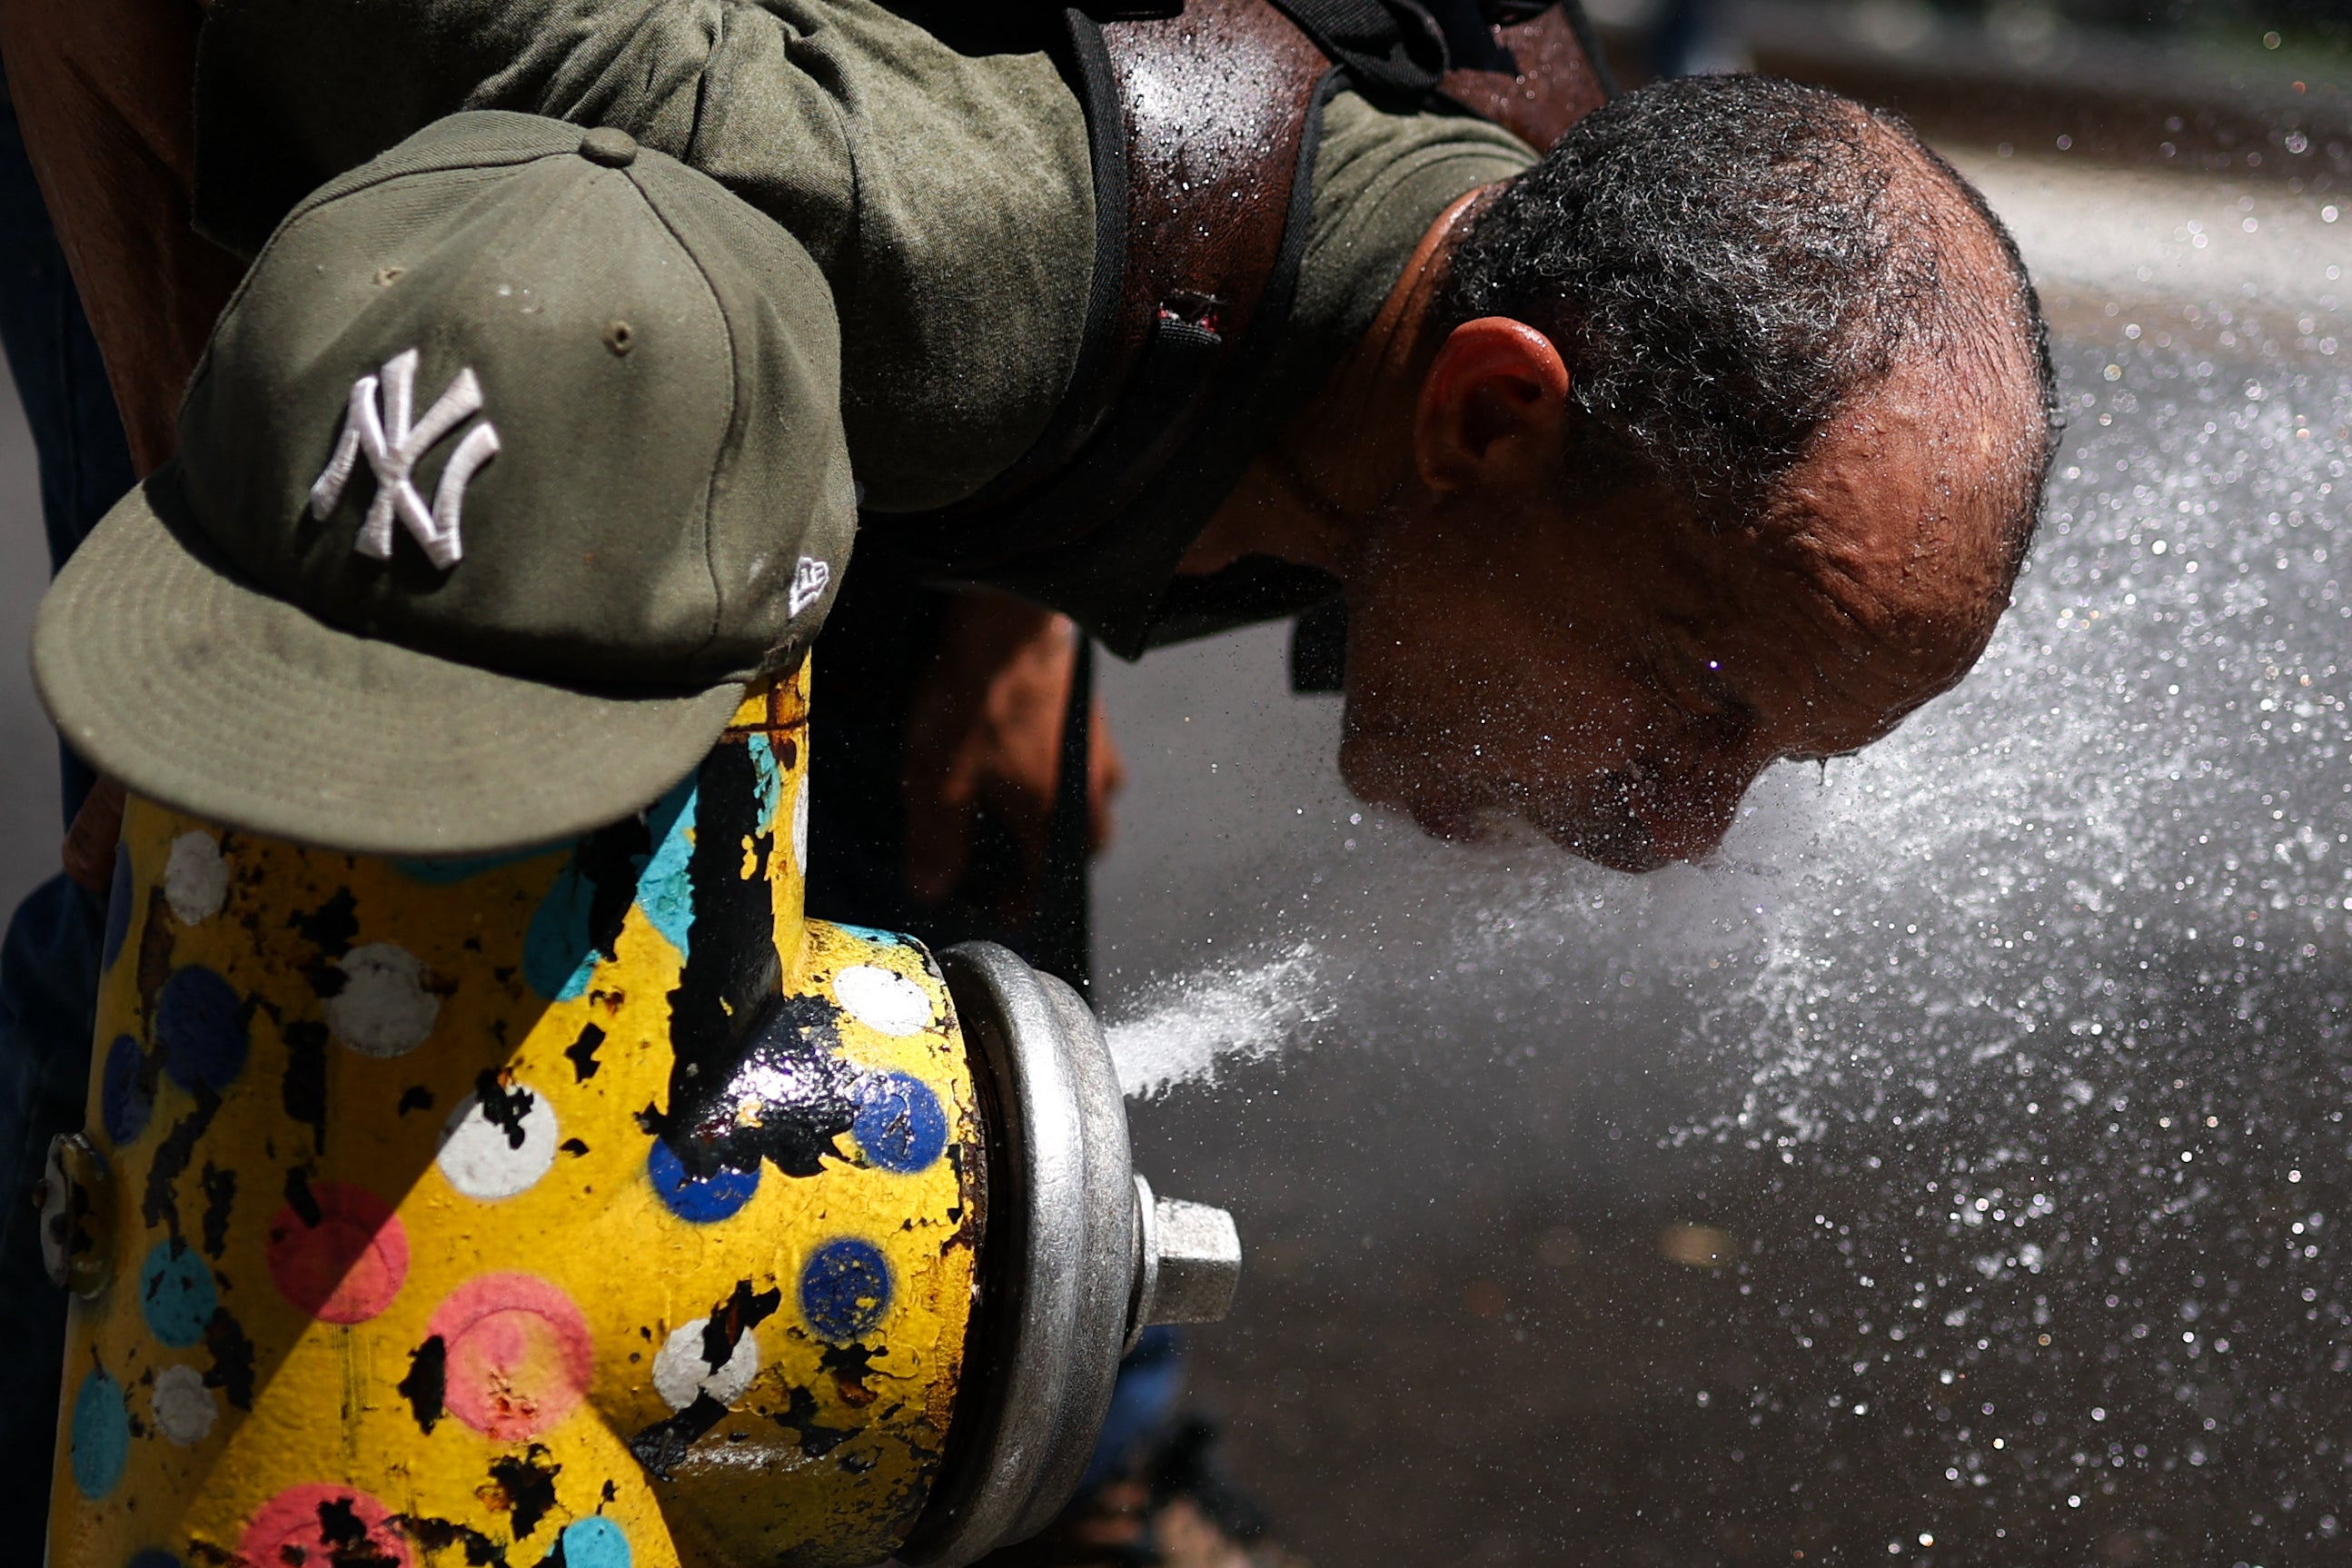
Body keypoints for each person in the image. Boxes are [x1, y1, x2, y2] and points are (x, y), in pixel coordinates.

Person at [0, 0, 2056, 1558]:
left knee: (949, 832)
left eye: (1767, 755)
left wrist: (1017, 616)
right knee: (251, 996)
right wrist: (207, 539)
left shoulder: (1541, 254)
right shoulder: (845, 233)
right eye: (1695, 699)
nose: (1680, 833)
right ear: (1489, 416)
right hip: (294, 97)